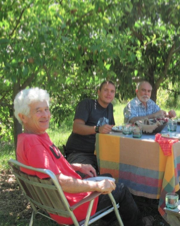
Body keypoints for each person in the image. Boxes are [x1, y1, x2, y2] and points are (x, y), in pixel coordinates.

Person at [13, 87, 153, 226]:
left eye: (46, 109)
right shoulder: (33, 144)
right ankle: (138, 223)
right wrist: (96, 185)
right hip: (72, 207)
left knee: (108, 177)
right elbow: (60, 182)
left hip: (60, 202)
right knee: (120, 189)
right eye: (38, 111)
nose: (45, 115)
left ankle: (110, 220)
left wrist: (74, 166)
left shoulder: (30, 137)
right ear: (23, 117)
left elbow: (50, 168)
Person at [65, 81, 116, 173]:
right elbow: (76, 127)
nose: (109, 93)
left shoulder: (110, 107)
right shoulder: (87, 104)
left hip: (101, 153)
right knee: (87, 176)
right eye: (106, 90)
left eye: (112, 91)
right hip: (80, 152)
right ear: (99, 92)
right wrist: (97, 129)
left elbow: (111, 128)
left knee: (118, 170)